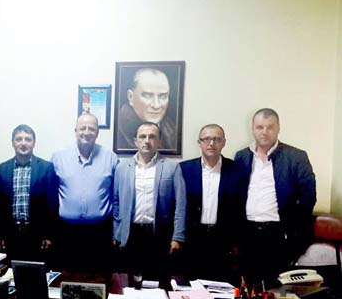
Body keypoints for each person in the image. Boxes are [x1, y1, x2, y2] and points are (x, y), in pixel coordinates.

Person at [234, 108, 316, 287]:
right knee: (249, 288)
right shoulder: (241, 157)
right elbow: (236, 195)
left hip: (278, 234)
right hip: (247, 233)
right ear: (253, 128)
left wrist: (292, 232)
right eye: (260, 127)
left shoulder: (296, 156)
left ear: (278, 128)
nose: (264, 132)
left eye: (270, 127)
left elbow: (308, 197)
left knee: (276, 289)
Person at [113, 122, 186, 285]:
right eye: (142, 137)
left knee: (157, 283)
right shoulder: (122, 167)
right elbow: (116, 202)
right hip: (130, 234)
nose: (147, 141)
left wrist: (178, 236)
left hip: (158, 234)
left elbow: (181, 205)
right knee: (128, 284)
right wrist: (116, 233)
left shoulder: (172, 167)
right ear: (135, 141)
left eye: (152, 137)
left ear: (159, 141)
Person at [179, 124, 247, 281]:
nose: (211, 143)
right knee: (192, 288)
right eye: (207, 139)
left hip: (223, 241)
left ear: (223, 143)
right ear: (199, 143)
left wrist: (237, 243)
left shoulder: (237, 170)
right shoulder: (184, 169)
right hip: (193, 240)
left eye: (216, 139)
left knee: (221, 288)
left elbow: (241, 208)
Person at [52, 113, 118, 273]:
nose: (86, 132)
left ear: (97, 132)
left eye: (91, 129)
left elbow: (116, 197)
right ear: (75, 131)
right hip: (66, 233)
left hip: (100, 234)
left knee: (99, 279)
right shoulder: (58, 158)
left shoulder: (110, 158)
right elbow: (50, 196)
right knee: (67, 279)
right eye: (82, 128)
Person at [0, 124, 58, 261]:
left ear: (34, 143)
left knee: (37, 272)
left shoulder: (46, 168)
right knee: (10, 272)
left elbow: (52, 204)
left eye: (28, 139)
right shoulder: (1, 169)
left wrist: (49, 235)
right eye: (19, 139)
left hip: (38, 236)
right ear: (13, 143)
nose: (23, 143)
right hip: (10, 236)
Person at [117, 68, 177, 151]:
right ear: (131, 97)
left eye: (163, 96)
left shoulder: (170, 128)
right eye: (147, 95)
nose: (156, 105)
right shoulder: (121, 131)